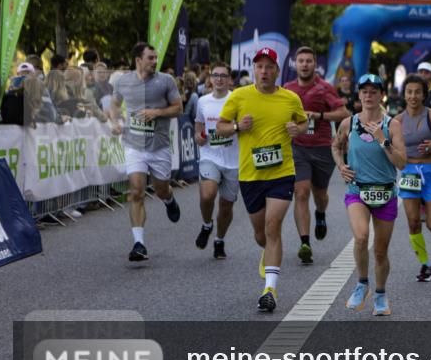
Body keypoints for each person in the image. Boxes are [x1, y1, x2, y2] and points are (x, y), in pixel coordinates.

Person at [216, 48, 307, 312]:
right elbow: (220, 127)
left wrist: (296, 129)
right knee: (261, 234)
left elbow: (302, 124)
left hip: (282, 173)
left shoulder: (290, 99)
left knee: (272, 225)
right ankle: (266, 253)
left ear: (277, 71)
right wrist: (236, 127)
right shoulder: (239, 96)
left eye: (269, 67)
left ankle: (270, 289)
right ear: (254, 70)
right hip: (251, 174)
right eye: (260, 67)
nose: (264, 71)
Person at [332, 74, 407, 317]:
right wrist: (341, 165)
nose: (368, 95)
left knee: (380, 252)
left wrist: (383, 141)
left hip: (385, 191)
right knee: (362, 237)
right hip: (358, 190)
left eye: (373, 91)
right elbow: (336, 145)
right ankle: (362, 283)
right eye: (364, 91)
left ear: (381, 95)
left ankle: (381, 293)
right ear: (359, 95)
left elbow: (402, 163)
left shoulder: (391, 124)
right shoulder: (349, 123)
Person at [109, 43, 184, 262]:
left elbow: (178, 108)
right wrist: (114, 122)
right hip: (134, 145)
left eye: (155, 57)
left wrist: (157, 112)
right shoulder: (123, 81)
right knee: (137, 191)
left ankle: (168, 198)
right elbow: (114, 104)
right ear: (138, 59)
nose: (154, 61)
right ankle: (139, 244)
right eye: (150, 57)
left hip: (159, 146)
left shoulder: (165, 81)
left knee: (160, 189)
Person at [283, 46, 349, 263]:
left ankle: (320, 214)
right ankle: (305, 242)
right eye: (300, 61)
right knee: (301, 193)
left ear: (314, 64)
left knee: (320, 195)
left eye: (308, 61)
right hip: (297, 147)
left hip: (321, 148)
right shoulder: (287, 89)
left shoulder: (324, 88)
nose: (304, 64)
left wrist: (318, 115)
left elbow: (343, 113)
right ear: (295, 64)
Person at [396, 74, 431, 282]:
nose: (413, 96)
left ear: (424, 95)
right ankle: (425, 265)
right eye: (409, 92)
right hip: (410, 172)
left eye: (417, 92)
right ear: (404, 94)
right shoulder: (397, 121)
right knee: (412, 222)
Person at [193, 62, 239, 259]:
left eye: (223, 75)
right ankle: (206, 224)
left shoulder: (237, 100)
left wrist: (235, 127)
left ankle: (219, 239)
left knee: (226, 206)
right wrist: (200, 137)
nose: (219, 79)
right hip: (210, 156)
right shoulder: (203, 101)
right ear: (210, 79)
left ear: (229, 79)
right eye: (215, 75)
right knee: (207, 195)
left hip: (233, 159)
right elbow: (197, 132)